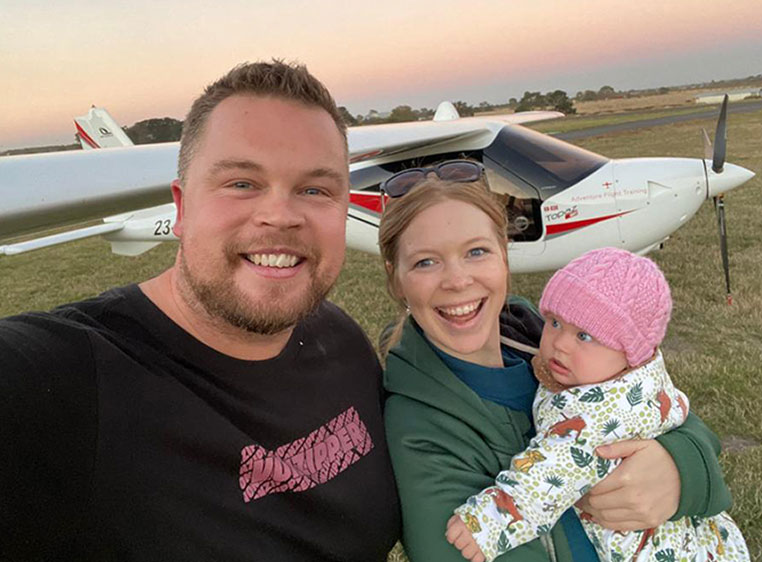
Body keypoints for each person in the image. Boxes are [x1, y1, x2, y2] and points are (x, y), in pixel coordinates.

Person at [0, 61, 400, 561]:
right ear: (182, 208)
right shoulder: (65, 381)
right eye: (241, 183)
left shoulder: (339, 337)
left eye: (315, 189)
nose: (280, 214)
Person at [378, 167, 733, 562]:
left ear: (504, 257)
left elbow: (663, 404)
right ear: (397, 279)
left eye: (476, 251)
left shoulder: (542, 334)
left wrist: (681, 471)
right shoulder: (420, 425)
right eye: (426, 262)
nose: (458, 280)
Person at [447, 248, 749, 562]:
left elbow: (551, 475)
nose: (560, 342)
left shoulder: (603, 412)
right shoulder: (621, 375)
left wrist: (485, 524)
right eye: (553, 322)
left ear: (629, 352)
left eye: (585, 336)